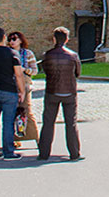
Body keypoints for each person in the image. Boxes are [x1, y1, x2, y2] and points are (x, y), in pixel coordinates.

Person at [37, 26, 82, 161]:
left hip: (52, 91)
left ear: (54, 39)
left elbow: (45, 70)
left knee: (48, 122)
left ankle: (44, 153)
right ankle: (74, 153)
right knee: (71, 123)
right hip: (69, 92)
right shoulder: (73, 55)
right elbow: (77, 73)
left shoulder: (47, 55)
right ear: (67, 39)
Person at [0, 26, 26, 160]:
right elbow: (19, 75)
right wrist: (22, 91)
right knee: (8, 122)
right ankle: (8, 151)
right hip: (9, 91)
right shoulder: (12, 53)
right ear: (4, 37)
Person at [7, 30, 38, 149]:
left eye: (14, 39)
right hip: (11, 85)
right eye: (10, 39)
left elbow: (34, 70)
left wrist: (24, 69)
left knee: (26, 111)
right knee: (12, 113)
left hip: (25, 84)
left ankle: (35, 137)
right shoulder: (8, 53)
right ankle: (15, 139)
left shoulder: (27, 53)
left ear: (20, 40)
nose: (11, 42)